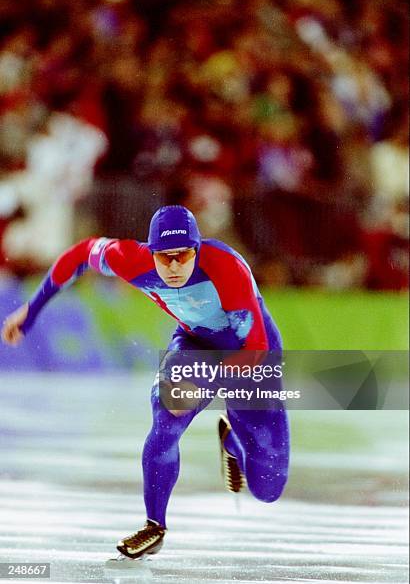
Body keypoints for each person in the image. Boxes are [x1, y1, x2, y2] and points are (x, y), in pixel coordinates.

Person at [1, 205, 289, 560]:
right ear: (149, 252)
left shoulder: (225, 268)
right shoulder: (128, 259)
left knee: (267, 489)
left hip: (250, 353)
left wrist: (211, 381)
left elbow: (255, 351)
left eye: (182, 256)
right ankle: (155, 524)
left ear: (197, 249)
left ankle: (233, 443)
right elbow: (80, 254)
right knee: (167, 414)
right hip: (196, 345)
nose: (172, 267)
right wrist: (32, 310)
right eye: (163, 257)